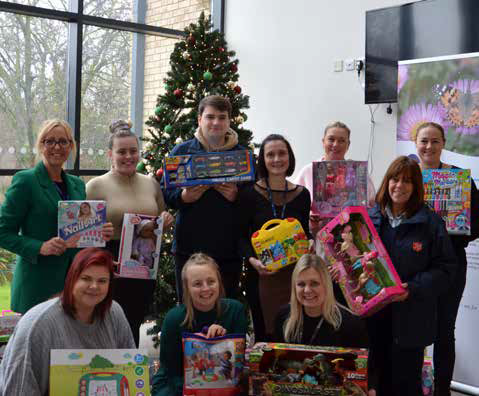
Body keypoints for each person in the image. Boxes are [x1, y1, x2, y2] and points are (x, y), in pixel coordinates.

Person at [0, 119, 113, 314]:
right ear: (40, 145)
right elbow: (3, 232)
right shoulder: (26, 181)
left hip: (75, 284)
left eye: (63, 141)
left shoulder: (77, 184)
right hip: (38, 284)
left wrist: (99, 233)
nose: (56, 147)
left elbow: (80, 233)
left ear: (71, 146)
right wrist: (40, 247)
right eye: (49, 141)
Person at [367, 156, 457, 396]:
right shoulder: (369, 218)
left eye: (407, 181)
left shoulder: (431, 223)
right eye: (395, 179)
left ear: (416, 187)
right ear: (387, 182)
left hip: (411, 320)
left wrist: (413, 288)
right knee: (373, 383)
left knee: (406, 386)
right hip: (374, 317)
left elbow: (447, 269)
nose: (400, 185)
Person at [0, 247, 135, 395]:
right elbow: (19, 388)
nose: (94, 286)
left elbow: (131, 369)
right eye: (86, 278)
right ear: (71, 279)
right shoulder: (38, 324)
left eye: (102, 281)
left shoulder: (114, 312)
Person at [86, 119, 174, 346]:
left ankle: (129, 372)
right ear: (110, 154)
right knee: (105, 321)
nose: (128, 156)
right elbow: (83, 231)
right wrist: (98, 232)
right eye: (121, 151)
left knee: (134, 321)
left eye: (133, 151)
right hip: (109, 262)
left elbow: (161, 218)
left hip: (143, 262)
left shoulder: (151, 183)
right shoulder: (95, 186)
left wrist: (166, 220)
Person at [414, 122, 479, 396]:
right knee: (412, 329)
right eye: (424, 141)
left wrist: (454, 230)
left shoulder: (460, 179)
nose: (429, 147)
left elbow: (477, 223)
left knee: (444, 331)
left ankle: (441, 391)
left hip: (450, 264)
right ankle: (410, 386)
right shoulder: (405, 176)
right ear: (415, 142)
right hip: (413, 265)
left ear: (443, 143)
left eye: (435, 141)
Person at [163, 95, 245, 301]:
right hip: (188, 247)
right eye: (210, 117)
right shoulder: (181, 151)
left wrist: (237, 196)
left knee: (226, 307)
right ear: (199, 119)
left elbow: (254, 200)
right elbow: (165, 192)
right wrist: (183, 197)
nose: (216, 122)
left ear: (229, 121)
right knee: (189, 309)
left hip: (228, 250)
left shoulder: (242, 155)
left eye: (222, 117)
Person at [238, 133, 312, 341]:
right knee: (266, 335)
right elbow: (240, 237)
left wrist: (311, 241)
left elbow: (304, 232)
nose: (277, 159)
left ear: (290, 157)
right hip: (262, 276)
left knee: (296, 332)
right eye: (270, 155)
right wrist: (253, 262)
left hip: (295, 276)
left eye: (282, 153)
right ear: (263, 160)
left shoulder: (303, 195)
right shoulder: (249, 193)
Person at [151, 253, 248, 396]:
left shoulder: (235, 310)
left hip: (225, 385)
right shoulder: (174, 318)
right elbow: (170, 371)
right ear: (187, 288)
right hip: (180, 384)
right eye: (197, 284)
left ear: (219, 282)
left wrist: (223, 340)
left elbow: (236, 367)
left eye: (211, 281)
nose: (205, 288)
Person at [295, 121, 376, 236]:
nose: (336, 144)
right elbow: (295, 206)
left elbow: (372, 206)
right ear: (323, 142)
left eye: (342, 140)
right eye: (331, 139)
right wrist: (308, 216)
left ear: (348, 145)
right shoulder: (308, 171)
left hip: (351, 237)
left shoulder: (359, 172)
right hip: (318, 237)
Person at [274, 253, 368, 348]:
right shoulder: (283, 317)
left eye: (314, 283)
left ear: (326, 285)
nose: (307, 290)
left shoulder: (350, 324)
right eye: (301, 284)